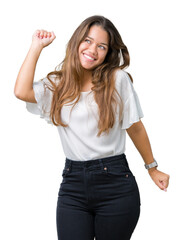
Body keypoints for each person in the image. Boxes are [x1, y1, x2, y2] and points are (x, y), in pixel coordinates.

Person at [14, 15, 170, 240]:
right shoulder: (59, 84)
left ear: (108, 53)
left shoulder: (117, 80)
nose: (92, 50)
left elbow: (134, 127)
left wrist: (152, 168)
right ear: (77, 41)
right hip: (73, 185)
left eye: (101, 46)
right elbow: (21, 92)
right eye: (87, 41)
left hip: (115, 184)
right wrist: (36, 47)